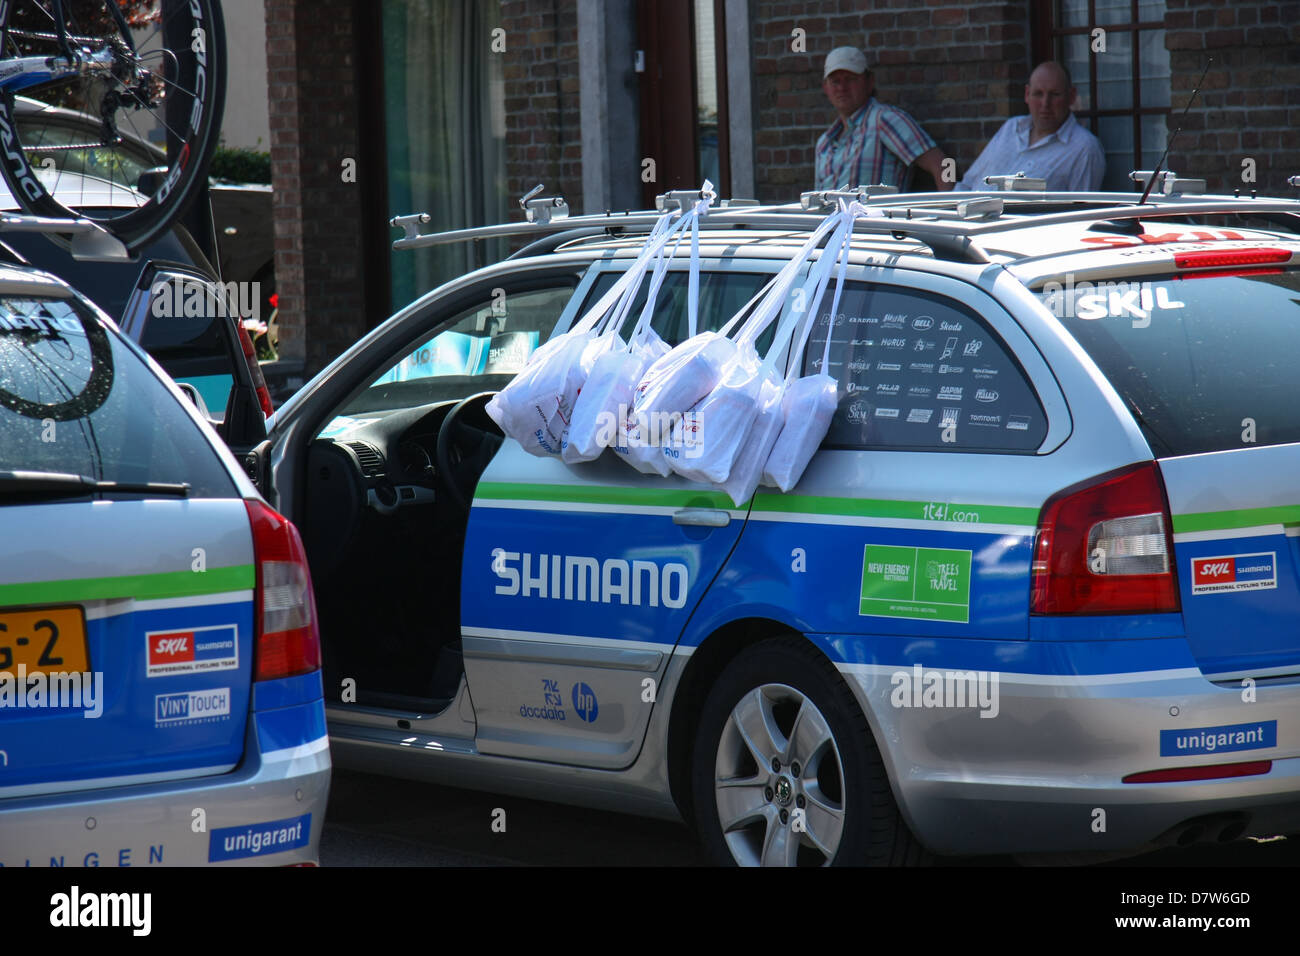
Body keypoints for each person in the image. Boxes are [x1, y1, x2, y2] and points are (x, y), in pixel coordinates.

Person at [815, 47, 952, 192]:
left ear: (869, 82)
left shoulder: (884, 121)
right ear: (826, 88)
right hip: (831, 215)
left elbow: (943, 164)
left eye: (850, 79)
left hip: (876, 215)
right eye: (835, 81)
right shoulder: (824, 144)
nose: (842, 88)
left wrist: (949, 208)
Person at [956, 61, 1106, 192]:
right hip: (967, 220)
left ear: (1071, 96)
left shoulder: (1084, 148)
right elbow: (967, 184)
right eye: (1038, 94)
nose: (1045, 104)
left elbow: (1080, 215)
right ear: (1027, 94)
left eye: (1054, 94)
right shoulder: (1011, 127)